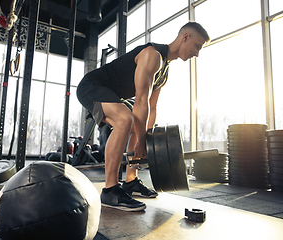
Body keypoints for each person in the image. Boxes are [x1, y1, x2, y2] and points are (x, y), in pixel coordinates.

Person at [77, 22, 210, 212]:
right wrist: (139, 140)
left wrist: (145, 139)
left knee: (135, 124)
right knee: (125, 119)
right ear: (186, 37)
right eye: (197, 46)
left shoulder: (164, 72)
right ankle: (110, 190)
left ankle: (130, 181)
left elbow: (151, 108)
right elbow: (140, 100)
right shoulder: (152, 55)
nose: (196, 53)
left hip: (111, 95)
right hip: (91, 87)